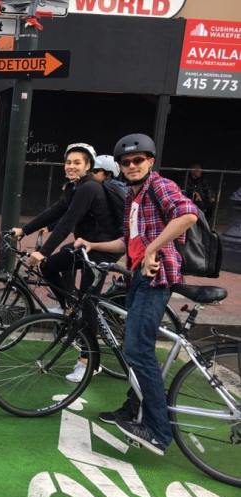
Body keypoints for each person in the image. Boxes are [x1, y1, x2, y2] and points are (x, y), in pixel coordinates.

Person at [75, 133, 198, 456]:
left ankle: (158, 433)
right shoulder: (133, 196)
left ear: (150, 161)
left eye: (138, 160)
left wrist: (154, 249)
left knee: (138, 350)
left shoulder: (160, 185)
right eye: (125, 162)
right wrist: (92, 244)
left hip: (156, 279)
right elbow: (125, 244)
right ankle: (132, 410)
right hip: (138, 279)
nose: (131, 166)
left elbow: (187, 215)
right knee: (134, 350)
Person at [13, 143, 124, 382]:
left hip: (101, 252)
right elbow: (55, 212)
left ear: (88, 166)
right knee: (48, 267)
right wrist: (24, 229)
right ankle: (69, 308)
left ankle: (89, 361)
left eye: (77, 163)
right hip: (84, 246)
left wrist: (43, 250)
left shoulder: (89, 188)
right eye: (68, 162)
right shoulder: (74, 187)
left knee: (88, 304)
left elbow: (67, 223)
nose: (71, 166)